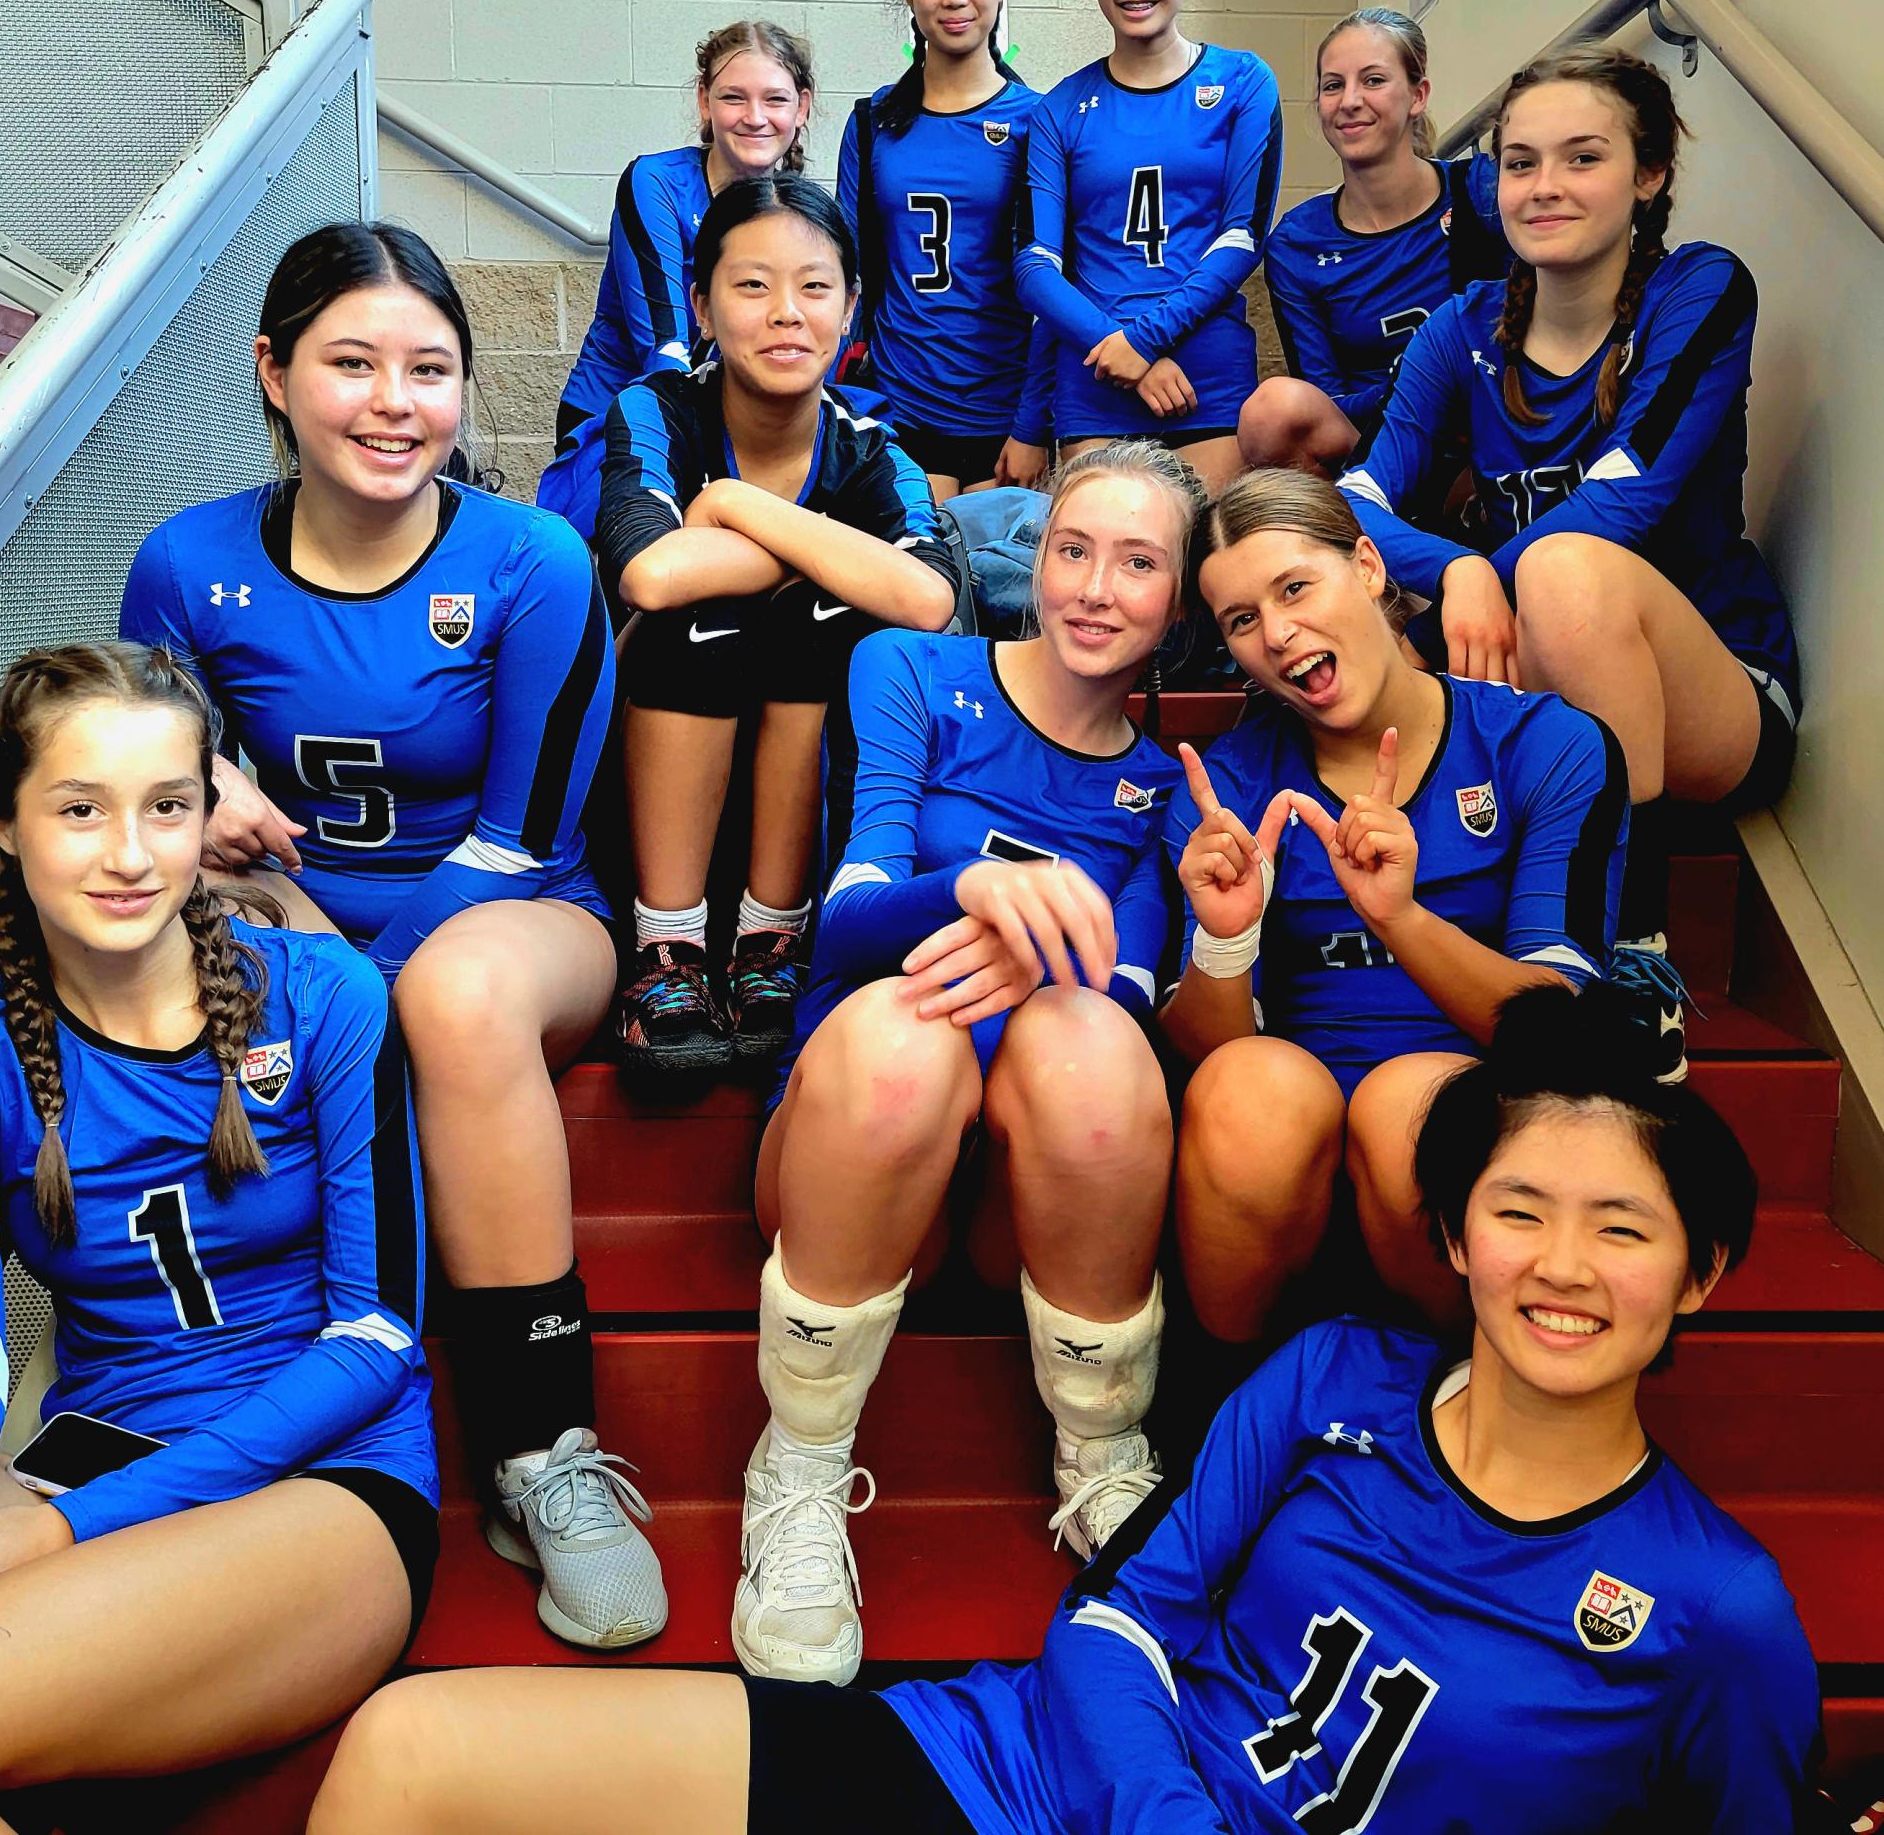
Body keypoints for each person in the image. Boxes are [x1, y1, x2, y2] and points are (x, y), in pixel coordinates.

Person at [306, 984, 1819, 1835]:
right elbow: (1113, 1622)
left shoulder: (1713, 1609)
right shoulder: (1341, 1375)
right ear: (1455, 1233)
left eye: (1623, 1229)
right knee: (415, 1753)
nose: (1562, 1267)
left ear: (1701, 1279)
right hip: (1010, 1773)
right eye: (1522, 1211)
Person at [118, 223, 663, 1652]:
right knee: (170, 967)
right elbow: (146, 802)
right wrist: (198, 787)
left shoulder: (535, 560)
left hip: (519, 919)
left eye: (428, 368)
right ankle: (205, 1406)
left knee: (458, 1001)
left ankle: (546, 1446)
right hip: (286, 916)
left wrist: (346, 977)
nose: (391, 400)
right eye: (350, 363)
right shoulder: (185, 563)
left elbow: (521, 835)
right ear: (274, 374)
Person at [0, 642, 433, 1835]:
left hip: (325, 1478)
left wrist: (65, 1525)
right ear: (0, 818)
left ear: (205, 813)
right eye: (79, 809)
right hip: (93, 1447)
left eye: (168, 807)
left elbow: (377, 1335)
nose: (131, 855)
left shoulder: (324, 994)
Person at [730, 440, 1196, 1686]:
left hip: (1019, 1212)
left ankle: (1100, 1451)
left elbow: (1134, 997)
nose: (1096, 587)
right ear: (1032, 561)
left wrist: (1047, 963)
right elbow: (847, 918)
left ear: (1179, 599)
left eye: (1137, 562)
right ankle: (800, 1470)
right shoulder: (915, 670)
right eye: (1072, 549)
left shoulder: (1166, 790)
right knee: (900, 1029)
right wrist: (982, 887)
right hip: (853, 1146)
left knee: (1091, 1037)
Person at [1336, 45, 1799, 1077]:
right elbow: (1354, 499)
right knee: (1342, 618)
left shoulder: (1699, 289)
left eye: (1580, 158)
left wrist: (1472, 569)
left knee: (1564, 571)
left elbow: (1622, 504)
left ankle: (1631, 950)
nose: (1541, 187)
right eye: (1517, 162)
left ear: (1647, 175)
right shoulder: (1461, 329)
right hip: (1538, 681)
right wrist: (1453, 574)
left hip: (1708, 696)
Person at [1164, 469, 1627, 1335]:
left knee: (1406, 1102)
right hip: (1275, 1170)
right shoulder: (1224, 789)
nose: (1279, 633)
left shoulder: (1546, 743)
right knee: (1249, 1088)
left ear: (1369, 567)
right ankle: (1224, 1405)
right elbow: (1200, 1055)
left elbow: (1562, 1031)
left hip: (1477, 1144)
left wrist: (1400, 918)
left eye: (1295, 587)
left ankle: (1457, 1396)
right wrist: (1225, 940)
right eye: (1241, 620)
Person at [591, 174, 961, 1077]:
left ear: (851, 309)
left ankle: (772, 940)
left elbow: (928, 599)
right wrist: (829, 545)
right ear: (702, 308)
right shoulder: (656, 411)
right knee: (704, 615)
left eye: (814, 286)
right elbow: (654, 570)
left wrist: (728, 506)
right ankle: (666, 951)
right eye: (752, 286)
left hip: (810, 754)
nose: (786, 313)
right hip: (662, 726)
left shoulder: (871, 445)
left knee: (822, 617)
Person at [1014, 0, 1282, 494]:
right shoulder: (1059, 109)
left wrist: (1145, 339)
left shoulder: (1243, 82)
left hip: (1204, 381)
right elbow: (1035, 267)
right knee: (1100, 575)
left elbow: (1242, 237)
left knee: (1198, 573)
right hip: (1095, 372)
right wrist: (1121, 350)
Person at [836, 0, 1052, 498]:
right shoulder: (872, 123)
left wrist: (1033, 424)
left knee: (991, 584)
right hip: (898, 407)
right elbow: (846, 272)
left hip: (1004, 418)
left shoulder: (1040, 120)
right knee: (914, 580)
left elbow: (1058, 281)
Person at [1248, 8, 1507, 476]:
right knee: (1274, 406)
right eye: (1332, 85)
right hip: (1372, 447)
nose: (1349, 101)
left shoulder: (1482, 194)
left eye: (1372, 80)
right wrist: (1417, 380)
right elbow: (1326, 399)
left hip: (1485, 437)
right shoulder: (1297, 242)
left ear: (1417, 95)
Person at [558, 21, 815, 444]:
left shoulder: (799, 211)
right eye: (733, 98)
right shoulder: (655, 183)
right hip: (618, 414)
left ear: (801, 108)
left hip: (733, 426)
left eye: (775, 100)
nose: (755, 118)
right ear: (704, 101)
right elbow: (662, 346)